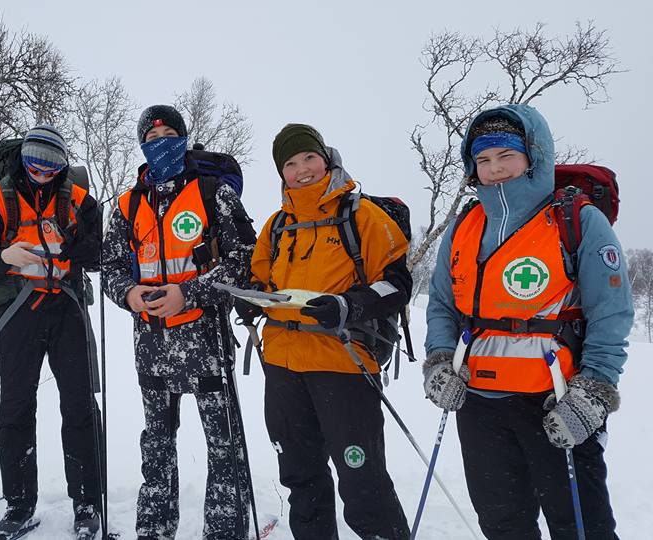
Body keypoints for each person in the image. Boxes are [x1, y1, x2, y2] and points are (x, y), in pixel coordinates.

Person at [423, 103, 632, 539]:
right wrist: (440, 360)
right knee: (503, 524)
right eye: (482, 160)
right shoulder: (465, 225)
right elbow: (442, 303)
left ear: (533, 156)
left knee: (580, 527)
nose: (494, 169)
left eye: (505, 156)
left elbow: (611, 313)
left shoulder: (576, 220)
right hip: (478, 402)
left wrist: (594, 391)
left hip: (555, 402)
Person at [236, 123, 412, 539]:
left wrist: (348, 306)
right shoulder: (277, 225)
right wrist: (250, 299)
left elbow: (395, 284)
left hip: (343, 363)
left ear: (326, 158)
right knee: (301, 477)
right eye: (291, 164)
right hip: (281, 366)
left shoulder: (362, 215)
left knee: (362, 479)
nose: (302, 170)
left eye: (308, 158)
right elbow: (260, 279)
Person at [100, 105, 257, 540]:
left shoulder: (213, 193)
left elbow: (246, 262)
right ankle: (153, 530)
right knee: (156, 446)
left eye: (169, 133)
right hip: (151, 349)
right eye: (151, 138)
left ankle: (225, 532)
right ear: (142, 146)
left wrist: (189, 293)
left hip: (207, 345)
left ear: (183, 138)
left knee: (224, 449)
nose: (160, 142)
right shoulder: (127, 204)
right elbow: (110, 267)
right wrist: (129, 294)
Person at [0, 125, 104, 540]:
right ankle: (19, 505)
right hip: (17, 312)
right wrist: (4, 256)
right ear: (23, 158)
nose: (42, 171)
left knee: (79, 407)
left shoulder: (80, 201)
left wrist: (70, 247)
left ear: (63, 164)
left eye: (52, 163)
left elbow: (99, 253)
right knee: (15, 409)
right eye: (35, 161)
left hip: (68, 309)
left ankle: (87, 503)